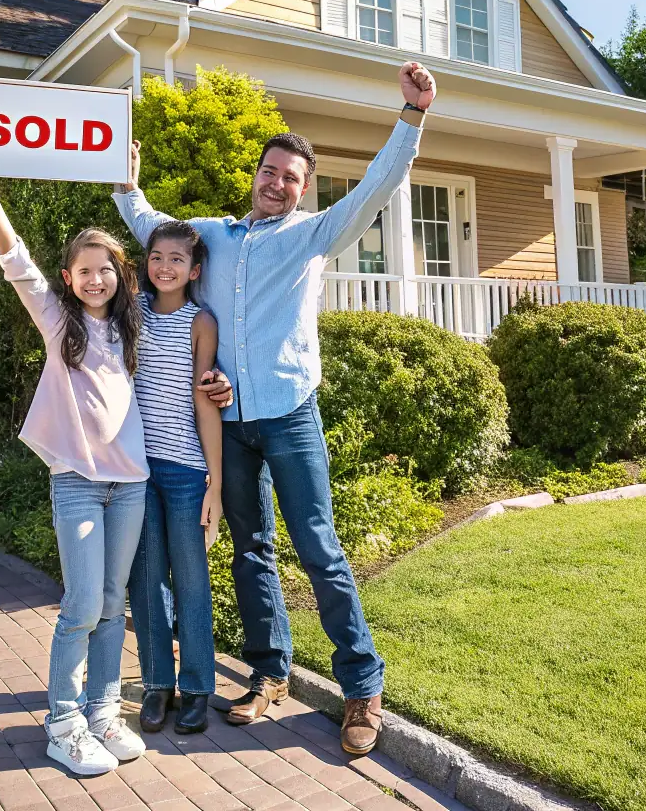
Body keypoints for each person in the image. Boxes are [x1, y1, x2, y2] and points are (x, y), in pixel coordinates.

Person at [113, 61, 437, 755]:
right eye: (270, 170)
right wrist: (124, 177)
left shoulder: (312, 234)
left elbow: (377, 188)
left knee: (319, 550)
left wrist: (410, 118)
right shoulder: (212, 238)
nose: (277, 182)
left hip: (288, 415)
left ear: (304, 188)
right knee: (250, 552)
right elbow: (152, 230)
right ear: (255, 173)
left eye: (291, 176)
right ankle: (268, 674)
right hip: (227, 424)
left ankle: (362, 688)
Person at [0, 143, 152, 777]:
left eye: (107, 270)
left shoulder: (131, 326)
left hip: (132, 482)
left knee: (114, 602)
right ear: (68, 279)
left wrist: (132, 185)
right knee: (82, 604)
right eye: (85, 270)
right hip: (78, 482)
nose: (97, 279)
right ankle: (62, 721)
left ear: (122, 276)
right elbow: (13, 255)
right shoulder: (55, 319)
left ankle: (102, 710)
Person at [127, 221, 223, 735]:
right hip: (136, 471)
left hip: (186, 470)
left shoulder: (199, 321)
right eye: (157, 257)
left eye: (178, 260)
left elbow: (204, 401)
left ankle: (197, 689)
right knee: (145, 580)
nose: (166, 266)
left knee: (191, 579)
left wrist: (216, 483)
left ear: (195, 269)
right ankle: (157, 684)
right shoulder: (132, 312)